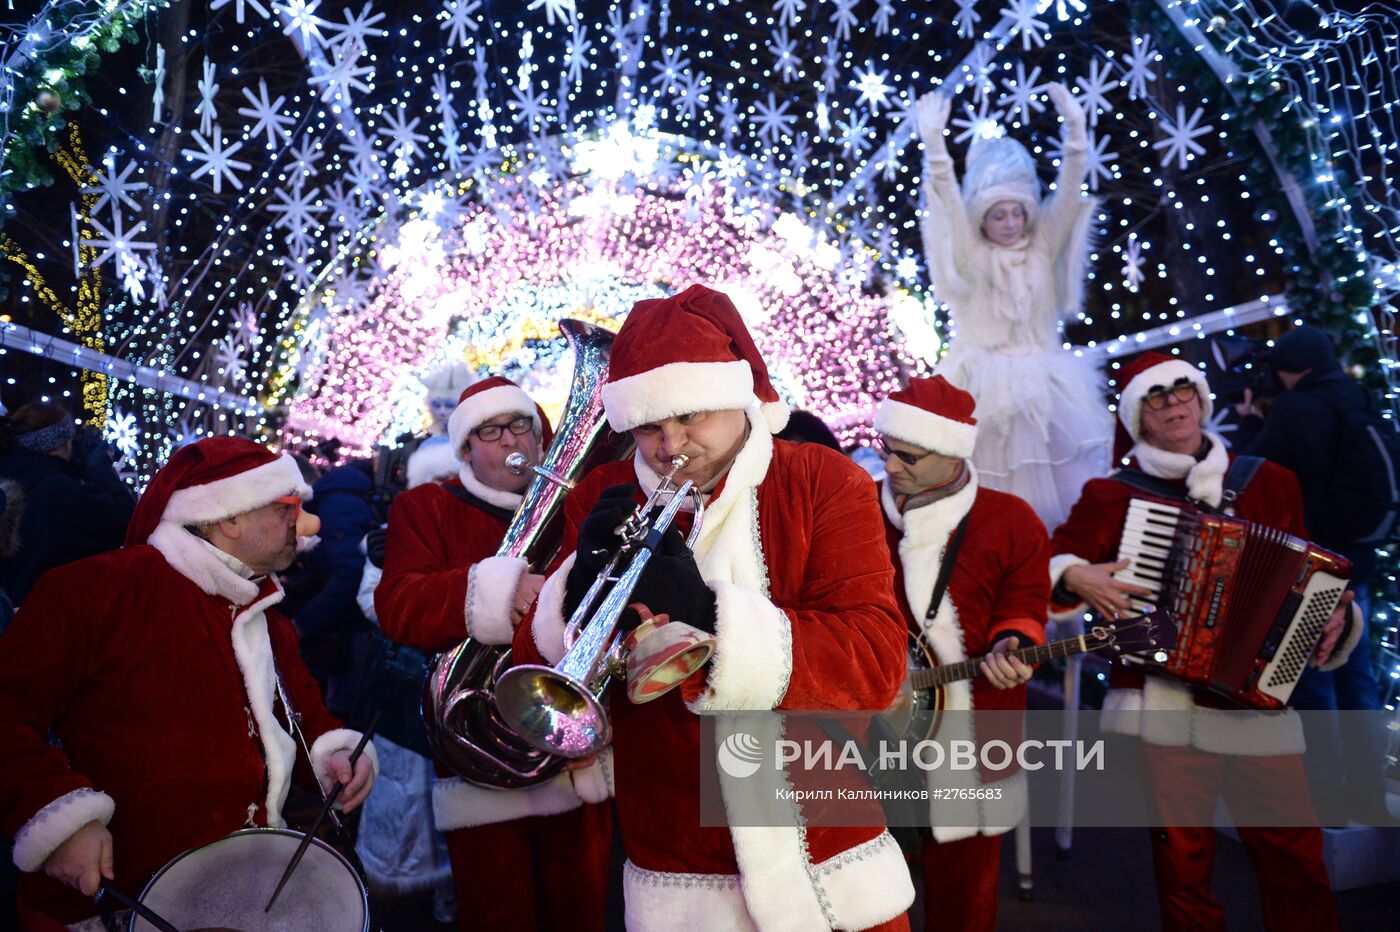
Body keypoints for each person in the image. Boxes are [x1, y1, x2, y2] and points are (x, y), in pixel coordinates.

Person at [513, 284, 914, 931]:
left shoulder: (822, 480)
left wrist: (708, 610)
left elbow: (874, 664)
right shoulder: (602, 493)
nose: (670, 445)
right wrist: (575, 589)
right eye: (649, 426)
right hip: (677, 857)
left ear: (735, 394)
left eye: (691, 416)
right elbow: (547, 675)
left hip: (828, 853)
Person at [0, 436, 378, 928]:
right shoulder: (94, 591)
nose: (308, 523)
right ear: (230, 517)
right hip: (119, 901)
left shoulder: (265, 612)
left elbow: (302, 717)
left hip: (250, 891)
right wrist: (57, 817)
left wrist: (332, 755)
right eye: (288, 505)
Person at [1048, 351, 1358, 932]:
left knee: (1296, 859)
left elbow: (1307, 579)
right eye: (1156, 396)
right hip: (1162, 706)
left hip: (1255, 701)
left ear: (1202, 398)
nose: (1174, 404)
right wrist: (1072, 574)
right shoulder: (1112, 496)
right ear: (1138, 415)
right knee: (1183, 868)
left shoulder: (1268, 481)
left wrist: (1336, 613)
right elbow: (1051, 563)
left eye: (1182, 390)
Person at [375, 376, 612, 932]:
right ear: (465, 448)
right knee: (497, 912)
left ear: (540, 434)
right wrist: (501, 591)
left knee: (586, 907)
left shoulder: (581, 501)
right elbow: (398, 606)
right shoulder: (426, 507)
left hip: (574, 750)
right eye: (488, 431)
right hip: (482, 753)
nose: (508, 439)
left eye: (519, 425)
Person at [874, 376, 1049, 932]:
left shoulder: (1010, 519)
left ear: (952, 453)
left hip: (975, 740)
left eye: (909, 455)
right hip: (865, 736)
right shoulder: (854, 510)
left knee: (967, 900)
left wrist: (1014, 642)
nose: (892, 465)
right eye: (886, 448)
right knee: (868, 893)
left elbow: (1025, 603)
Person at [915, 83, 1109, 532]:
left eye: (1017, 213)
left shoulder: (1043, 247)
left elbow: (1067, 192)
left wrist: (1076, 134)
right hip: (980, 385)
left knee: (1062, 496)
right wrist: (935, 147)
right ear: (982, 217)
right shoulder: (972, 254)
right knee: (986, 493)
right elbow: (947, 199)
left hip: (1047, 387)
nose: (1009, 223)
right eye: (997, 214)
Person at [1234, 323, 1390, 822]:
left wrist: (1244, 424)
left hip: (1316, 565)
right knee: (1358, 681)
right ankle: (1367, 795)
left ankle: (1326, 802)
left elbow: (1252, 466)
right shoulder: (1357, 398)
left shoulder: (1299, 408)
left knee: (1314, 680)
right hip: (1357, 561)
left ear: (1289, 369)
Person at [0, 402, 136, 605]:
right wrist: (98, 467)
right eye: (71, 442)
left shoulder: (12, 475)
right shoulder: (57, 490)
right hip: (46, 618)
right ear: (57, 446)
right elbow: (127, 520)